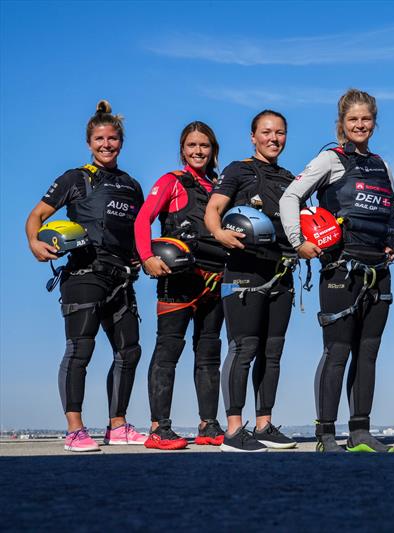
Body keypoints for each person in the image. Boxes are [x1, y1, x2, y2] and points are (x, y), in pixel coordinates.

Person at [279, 89, 394, 453]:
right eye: (353, 120)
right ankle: (326, 434)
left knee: (369, 351)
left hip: (378, 272)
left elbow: (393, 211)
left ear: (374, 122)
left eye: (366, 119)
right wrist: (298, 241)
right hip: (340, 270)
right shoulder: (329, 160)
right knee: (337, 351)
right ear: (342, 124)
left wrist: (392, 241)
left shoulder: (382, 164)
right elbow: (291, 196)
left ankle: (361, 431)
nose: (360, 125)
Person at [25, 100, 146, 452]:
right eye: (99, 139)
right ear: (89, 142)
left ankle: (118, 426)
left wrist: (141, 259)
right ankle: (75, 429)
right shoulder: (75, 178)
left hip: (122, 278)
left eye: (112, 139)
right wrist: (34, 243)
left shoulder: (132, 185)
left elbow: (136, 233)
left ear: (121, 142)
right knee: (80, 349)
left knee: (130, 351)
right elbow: (37, 215)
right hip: (84, 273)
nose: (106, 145)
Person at [205, 110, 298, 452]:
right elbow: (213, 210)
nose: (274, 139)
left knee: (272, 352)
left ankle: (264, 425)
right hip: (243, 270)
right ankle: (232, 431)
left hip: (280, 272)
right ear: (253, 136)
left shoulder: (289, 178)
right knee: (244, 348)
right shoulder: (237, 170)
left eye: (280, 133)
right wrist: (218, 234)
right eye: (267, 132)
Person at [134, 121, 227, 450]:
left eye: (204, 146)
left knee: (209, 354)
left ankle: (208, 425)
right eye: (191, 146)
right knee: (168, 351)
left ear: (213, 150)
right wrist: (146, 257)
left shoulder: (219, 185)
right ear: (183, 150)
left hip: (215, 280)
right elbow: (143, 218)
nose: (198, 151)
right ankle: (160, 428)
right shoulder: (171, 182)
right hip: (177, 281)